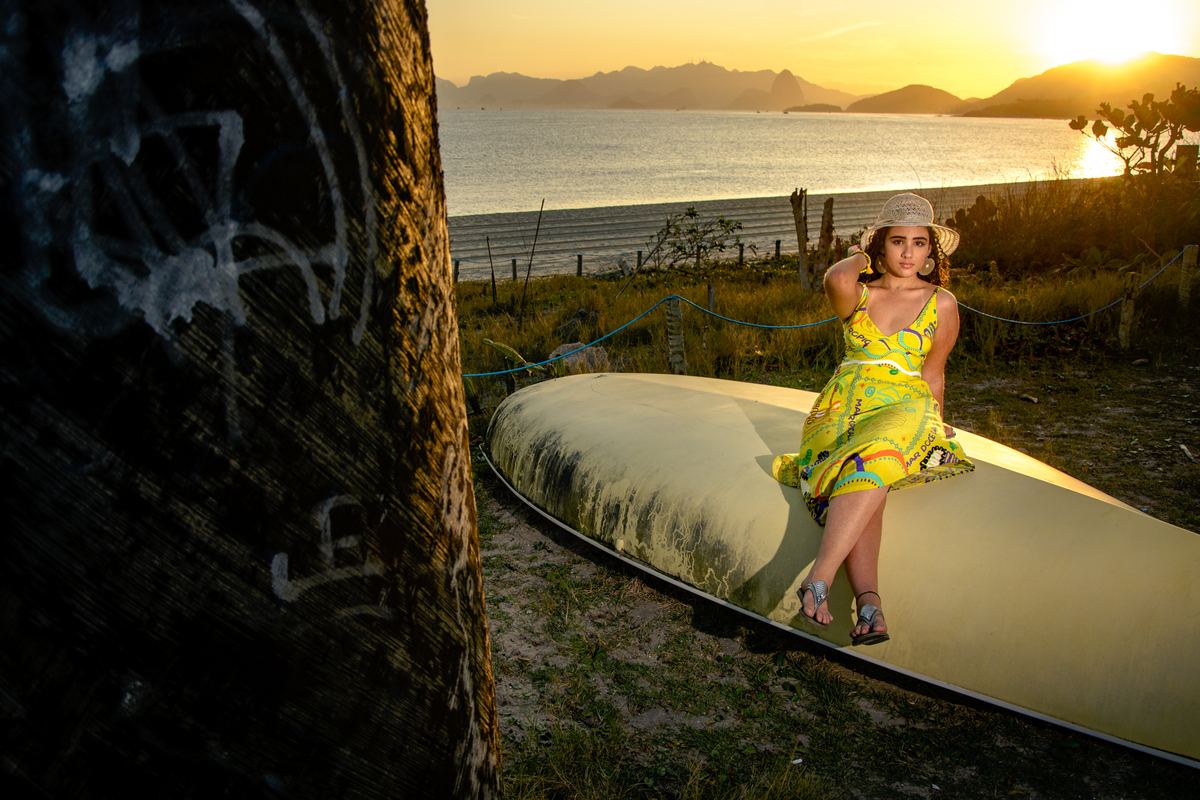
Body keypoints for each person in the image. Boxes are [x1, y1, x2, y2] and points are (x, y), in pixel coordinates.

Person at [772, 193, 975, 645]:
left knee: (878, 455)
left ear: (931, 251)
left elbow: (933, 374)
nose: (908, 253)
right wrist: (864, 252)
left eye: (920, 243)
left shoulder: (941, 303)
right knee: (868, 473)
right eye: (898, 241)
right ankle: (869, 603)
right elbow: (836, 276)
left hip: (905, 405)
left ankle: (818, 579)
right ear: (881, 245)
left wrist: (934, 424)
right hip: (841, 407)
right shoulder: (859, 293)